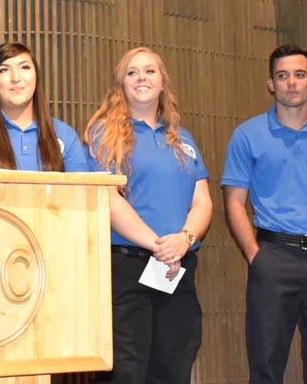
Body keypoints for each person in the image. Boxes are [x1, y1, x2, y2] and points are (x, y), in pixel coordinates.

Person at [221, 44, 307, 384]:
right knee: (265, 365)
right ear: (271, 84)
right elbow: (234, 202)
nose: (291, 83)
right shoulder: (247, 135)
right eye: (282, 76)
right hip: (273, 259)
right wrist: (256, 256)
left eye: (299, 75)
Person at [84, 47, 212, 384]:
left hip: (177, 267)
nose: (142, 77)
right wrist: (160, 246)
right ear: (120, 85)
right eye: (132, 72)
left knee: (173, 366)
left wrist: (183, 241)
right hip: (127, 268)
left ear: (162, 82)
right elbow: (108, 200)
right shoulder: (102, 134)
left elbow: (203, 202)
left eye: (150, 71)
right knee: (126, 371)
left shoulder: (184, 139)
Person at [0, 42, 87, 172]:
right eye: (4, 70)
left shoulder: (64, 135)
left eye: (24, 67)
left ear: (36, 76)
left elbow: (80, 190)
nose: (16, 78)